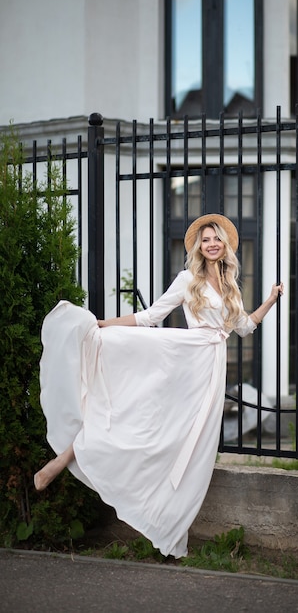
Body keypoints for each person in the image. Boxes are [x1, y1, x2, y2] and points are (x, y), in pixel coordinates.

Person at [34, 213, 283, 558]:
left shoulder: (230, 285)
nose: (211, 244)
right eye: (205, 239)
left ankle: (166, 522)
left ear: (225, 246)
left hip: (211, 370)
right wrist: (105, 325)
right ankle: (62, 460)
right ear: (199, 246)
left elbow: (243, 326)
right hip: (184, 357)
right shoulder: (187, 279)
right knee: (135, 413)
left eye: (217, 239)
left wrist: (270, 300)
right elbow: (150, 316)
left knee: (186, 445)